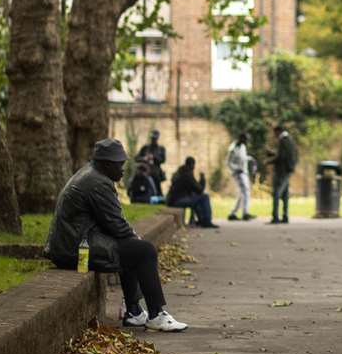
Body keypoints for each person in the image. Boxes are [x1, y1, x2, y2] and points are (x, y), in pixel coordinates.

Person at [45, 138, 187, 332]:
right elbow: (116, 225)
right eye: (119, 164)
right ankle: (155, 315)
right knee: (143, 251)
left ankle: (134, 312)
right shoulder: (98, 183)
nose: (122, 169)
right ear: (105, 164)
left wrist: (131, 239)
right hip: (75, 249)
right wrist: (135, 239)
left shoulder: (91, 174)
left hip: (71, 245)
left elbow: (112, 224)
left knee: (130, 249)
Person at [167, 155, 219, 228]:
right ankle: (207, 221)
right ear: (192, 165)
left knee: (196, 199)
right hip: (178, 200)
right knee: (204, 197)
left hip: (173, 200)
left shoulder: (180, 172)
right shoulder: (187, 174)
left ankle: (201, 220)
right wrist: (202, 178)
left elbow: (195, 190)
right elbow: (199, 190)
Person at [269, 122, 297, 224]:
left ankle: (275, 217)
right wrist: (273, 153)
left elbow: (281, 157)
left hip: (282, 171)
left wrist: (269, 161)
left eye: (275, 133)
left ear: (278, 131)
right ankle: (285, 216)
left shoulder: (283, 140)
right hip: (287, 170)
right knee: (284, 195)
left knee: (276, 194)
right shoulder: (289, 139)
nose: (274, 135)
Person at [226, 132, 255, 221]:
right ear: (241, 138)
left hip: (244, 172)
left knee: (242, 193)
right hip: (238, 173)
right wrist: (236, 169)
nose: (247, 142)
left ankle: (232, 213)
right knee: (245, 191)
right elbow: (228, 162)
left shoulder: (243, 147)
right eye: (246, 140)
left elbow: (242, 157)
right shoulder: (232, 148)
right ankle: (245, 213)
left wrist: (250, 158)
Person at [135, 129, 167, 199]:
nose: (153, 140)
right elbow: (136, 158)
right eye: (152, 138)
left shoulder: (161, 149)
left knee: (157, 188)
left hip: (155, 172)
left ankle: (158, 198)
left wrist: (154, 157)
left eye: (154, 138)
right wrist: (144, 158)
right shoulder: (145, 148)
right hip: (144, 171)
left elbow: (163, 160)